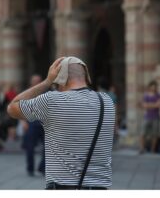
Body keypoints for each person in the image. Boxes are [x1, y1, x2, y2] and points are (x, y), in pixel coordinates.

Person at [7, 57, 115, 189]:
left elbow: (12, 107)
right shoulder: (107, 101)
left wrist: (47, 81)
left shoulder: (52, 100)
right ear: (86, 77)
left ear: (61, 79)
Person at [21, 74, 46, 176]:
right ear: (31, 82)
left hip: (44, 124)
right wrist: (23, 122)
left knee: (47, 147)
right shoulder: (26, 94)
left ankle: (42, 168)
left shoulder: (46, 93)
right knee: (30, 147)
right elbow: (20, 108)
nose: (37, 82)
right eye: (35, 81)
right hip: (31, 123)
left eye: (39, 80)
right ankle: (30, 168)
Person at [139, 80, 160, 154]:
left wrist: (149, 105)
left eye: (155, 86)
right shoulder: (146, 95)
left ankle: (153, 150)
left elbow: (158, 105)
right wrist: (153, 105)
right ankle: (142, 148)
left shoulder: (159, 95)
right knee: (142, 133)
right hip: (147, 117)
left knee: (155, 134)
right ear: (150, 87)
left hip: (156, 117)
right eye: (153, 86)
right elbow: (143, 105)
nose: (154, 88)